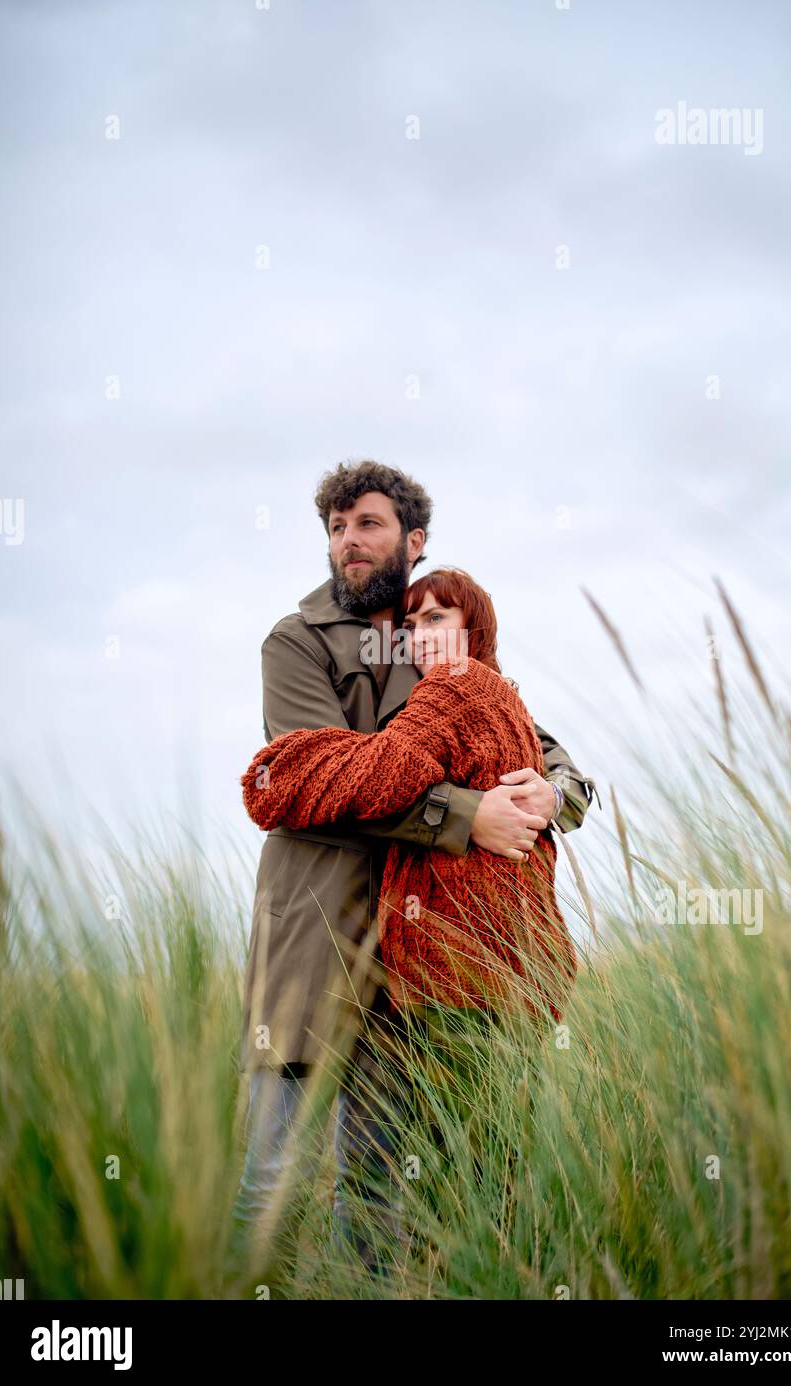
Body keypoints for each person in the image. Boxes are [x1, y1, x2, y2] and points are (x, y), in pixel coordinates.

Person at [223, 459, 597, 1294]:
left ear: (412, 540)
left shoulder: (439, 640)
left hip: (415, 967)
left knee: (380, 1192)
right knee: (274, 1178)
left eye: (367, 525)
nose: (347, 543)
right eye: (335, 527)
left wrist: (552, 793)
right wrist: (468, 818)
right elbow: (318, 782)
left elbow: (548, 753)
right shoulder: (295, 641)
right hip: (313, 938)